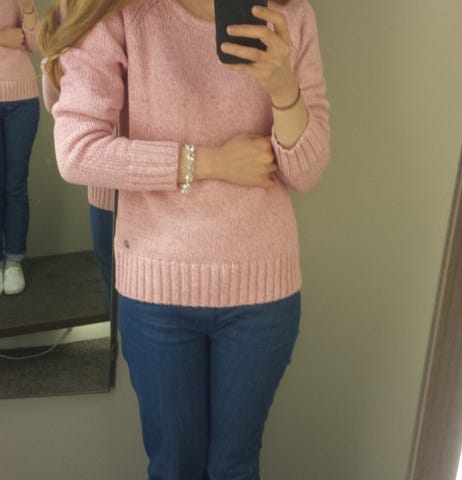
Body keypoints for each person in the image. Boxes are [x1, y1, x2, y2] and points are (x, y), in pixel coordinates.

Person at [38, 0, 330, 478]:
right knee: (174, 467)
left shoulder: (291, 13)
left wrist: (282, 86)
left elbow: (307, 171)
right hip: (157, 291)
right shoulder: (124, 12)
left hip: (262, 292)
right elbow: (77, 150)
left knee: (236, 467)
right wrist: (212, 163)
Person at [39, 0, 115, 308]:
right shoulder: (77, 10)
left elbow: (55, 100)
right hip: (109, 189)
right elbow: (57, 102)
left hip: (141, 193)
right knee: (121, 302)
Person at [0, 0, 40, 295]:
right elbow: (11, 38)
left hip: (23, 100)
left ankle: (13, 260)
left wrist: (27, 9)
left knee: (15, 184)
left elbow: (35, 44)